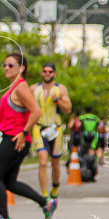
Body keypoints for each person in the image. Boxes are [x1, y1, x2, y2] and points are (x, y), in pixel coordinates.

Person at [0, 52, 57, 219]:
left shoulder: (21, 87)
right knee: (10, 182)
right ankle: (45, 203)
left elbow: (36, 111)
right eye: (4, 65)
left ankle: (4, 217)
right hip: (16, 137)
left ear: (21, 68)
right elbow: (16, 111)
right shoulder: (14, 87)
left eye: (11, 65)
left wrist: (24, 132)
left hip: (15, 139)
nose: (6, 68)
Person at [30, 62, 71, 201]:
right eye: (45, 71)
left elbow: (68, 109)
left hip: (56, 129)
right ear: (42, 73)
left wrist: (57, 100)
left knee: (55, 162)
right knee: (42, 161)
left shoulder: (60, 89)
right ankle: (44, 195)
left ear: (54, 73)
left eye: (50, 71)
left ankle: (54, 189)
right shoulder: (34, 88)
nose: (47, 73)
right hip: (39, 128)